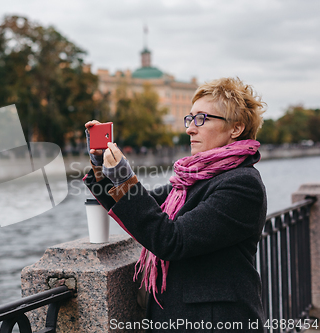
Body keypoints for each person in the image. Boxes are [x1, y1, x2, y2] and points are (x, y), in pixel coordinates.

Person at [83, 77, 267, 332]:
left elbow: (172, 239)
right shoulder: (194, 180)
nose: (190, 129)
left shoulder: (242, 184)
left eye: (202, 119)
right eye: (190, 119)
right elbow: (145, 206)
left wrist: (125, 177)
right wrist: (102, 169)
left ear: (236, 128)